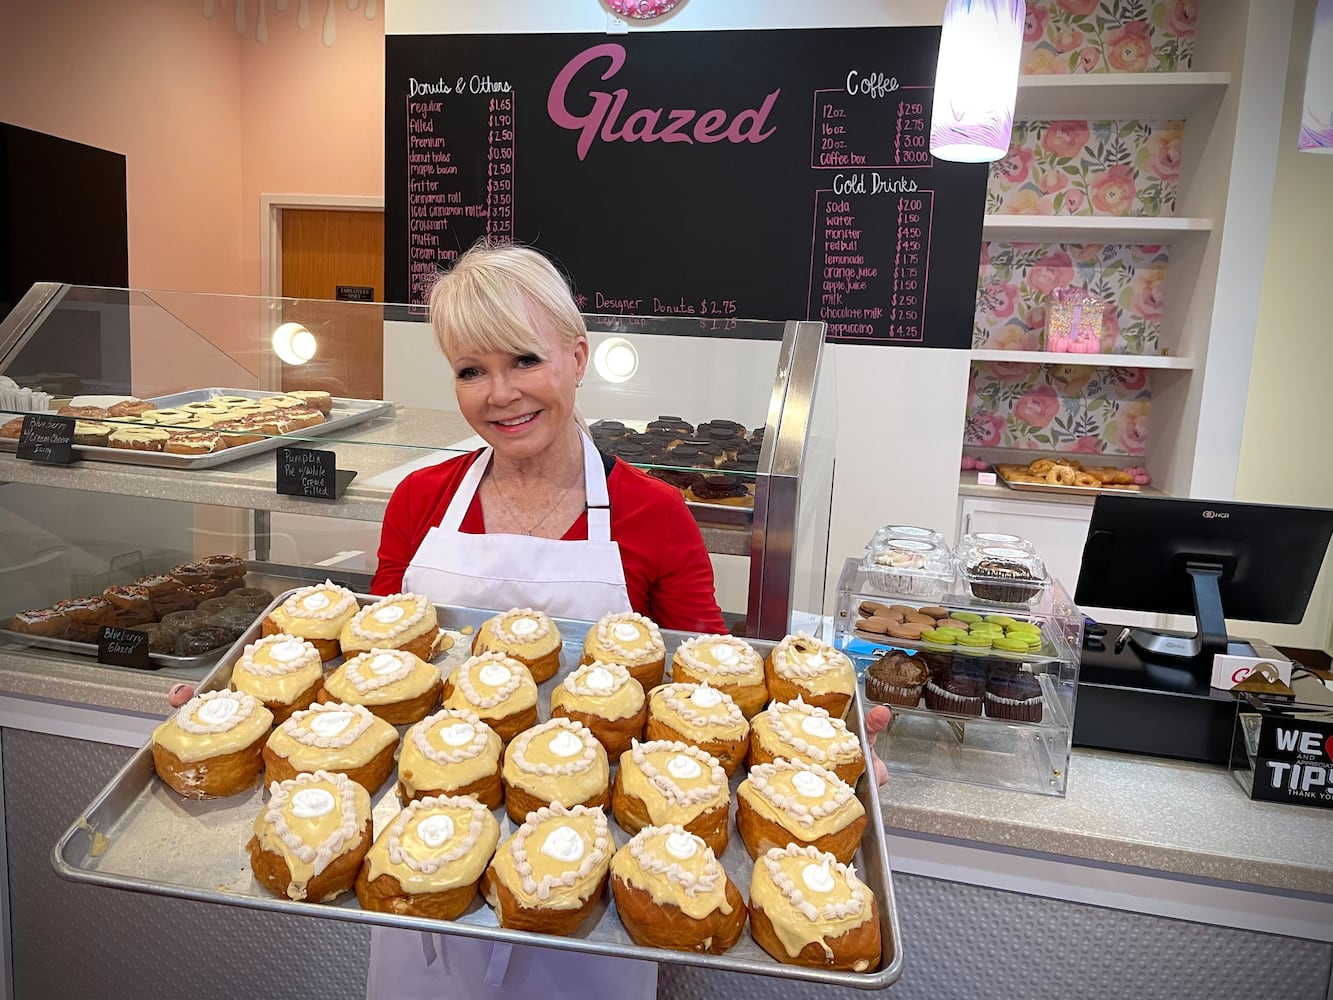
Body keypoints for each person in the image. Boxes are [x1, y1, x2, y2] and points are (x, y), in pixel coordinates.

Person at [365, 240, 726, 1000]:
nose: (499, 394)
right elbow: (373, 662)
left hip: (587, 891)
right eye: (470, 370)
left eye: (523, 361)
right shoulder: (419, 500)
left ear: (575, 356)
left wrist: (840, 753)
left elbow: (706, 686)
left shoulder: (654, 515)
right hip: (425, 869)